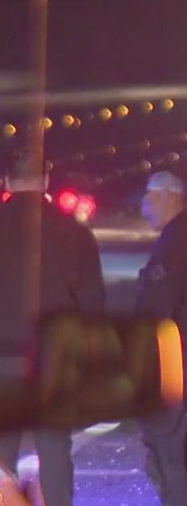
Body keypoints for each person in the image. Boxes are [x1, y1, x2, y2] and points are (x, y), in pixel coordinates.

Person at [0, 148, 106, 506]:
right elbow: (93, 307)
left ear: (7, 181)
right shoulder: (74, 234)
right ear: (46, 181)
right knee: (55, 452)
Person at [135, 171, 187, 506]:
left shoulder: (175, 244)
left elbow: (158, 308)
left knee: (166, 458)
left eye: (149, 197)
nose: (145, 205)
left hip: (171, 360)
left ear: (168, 195)